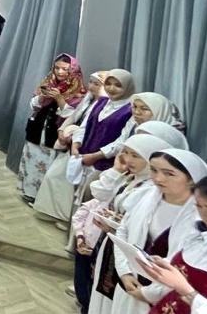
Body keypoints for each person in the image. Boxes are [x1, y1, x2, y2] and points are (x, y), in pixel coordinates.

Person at [73, 133, 172, 314]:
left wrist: (115, 226)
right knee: (97, 291)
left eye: (135, 155)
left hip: (124, 247)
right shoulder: (130, 177)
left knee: (111, 297)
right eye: (125, 152)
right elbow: (100, 193)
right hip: (111, 240)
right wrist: (116, 170)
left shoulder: (150, 189)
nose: (128, 159)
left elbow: (140, 226)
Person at [107, 150, 207, 314]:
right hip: (131, 284)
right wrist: (124, 272)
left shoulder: (202, 217)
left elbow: (189, 266)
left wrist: (148, 293)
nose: (158, 178)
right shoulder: (145, 197)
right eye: (154, 170)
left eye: (169, 173)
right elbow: (123, 232)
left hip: (168, 296)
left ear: (192, 179)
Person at [35, 69, 138, 221]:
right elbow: (84, 126)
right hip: (82, 153)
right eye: (108, 84)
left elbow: (122, 141)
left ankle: (73, 224)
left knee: (86, 195)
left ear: (128, 87)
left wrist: (97, 155)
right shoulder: (101, 102)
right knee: (66, 184)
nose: (111, 88)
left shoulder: (130, 111)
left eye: (118, 85)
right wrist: (76, 144)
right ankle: (61, 217)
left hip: (102, 162)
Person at [137, 174, 207, 314]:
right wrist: (164, 265)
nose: (205, 218)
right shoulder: (205, 239)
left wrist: (185, 289)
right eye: (199, 207)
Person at [18, 53, 88, 203]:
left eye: (65, 69)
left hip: (55, 136)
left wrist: (59, 98)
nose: (60, 72)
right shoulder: (48, 82)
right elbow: (33, 105)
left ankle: (41, 199)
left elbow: (73, 116)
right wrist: (43, 96)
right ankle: (28, 192)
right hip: (37, 130)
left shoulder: (78, 91)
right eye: (57, 68)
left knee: (48, 166)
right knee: (32, 161)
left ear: (73, 70)